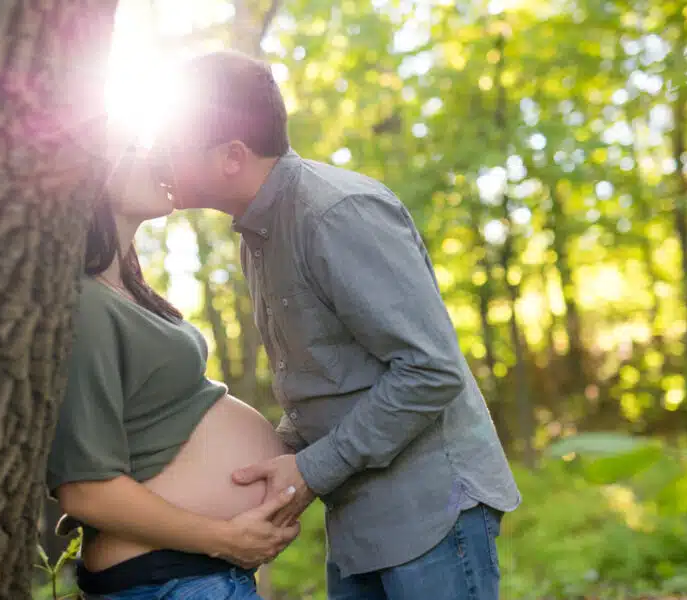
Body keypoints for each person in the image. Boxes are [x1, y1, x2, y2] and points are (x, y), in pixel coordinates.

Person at [153, 50, 522, 600]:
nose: (160, 157)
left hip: (432, 514)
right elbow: (329, 383)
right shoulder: (259, 238)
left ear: (232, 156)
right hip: (359, 521)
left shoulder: (335, 214)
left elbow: (431, 370)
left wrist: (310, 470)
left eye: (173, 143)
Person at [45, 149, 300, 600]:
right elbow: (84, 490)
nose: (159, 158)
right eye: (135, 149)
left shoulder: (122, 291)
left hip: (190, 576)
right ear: (95, 173)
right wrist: (224, 538)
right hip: (170, 577)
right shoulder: (81, 303)